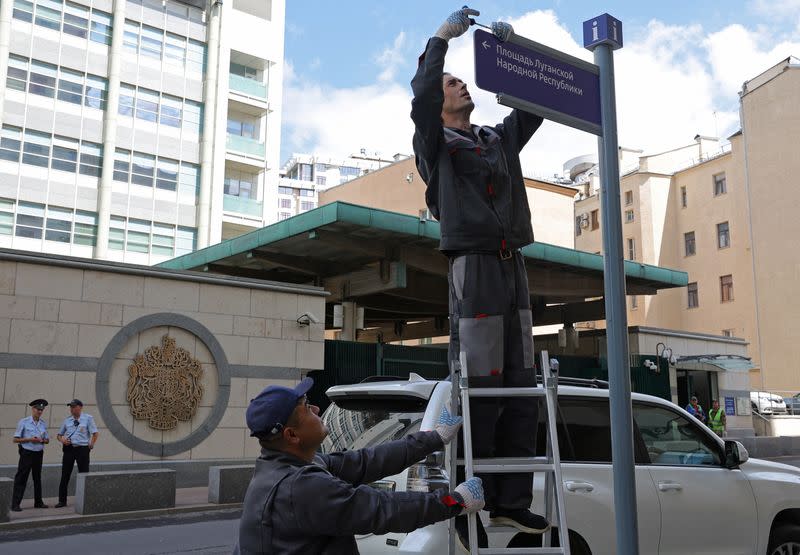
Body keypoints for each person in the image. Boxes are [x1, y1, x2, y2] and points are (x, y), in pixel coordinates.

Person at [410, 6, 548, 550]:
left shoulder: (495, 139)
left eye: (462, 79)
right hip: (474, 269)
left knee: (522, 384)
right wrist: (441, 41)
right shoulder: (435, 145)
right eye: (451, 82)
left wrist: (515, 56)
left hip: (513, 266)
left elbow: (534, 108)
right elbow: (422, 94)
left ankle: (513, 504)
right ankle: (477, 497)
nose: (460, 84)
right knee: (483, 385)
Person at [234, 378, 485, 555]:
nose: (316, 408)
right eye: (306, 408)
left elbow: (366, 461)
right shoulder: (299, 487)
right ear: (292, 436)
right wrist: (456, 501)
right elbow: (382, 509)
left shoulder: (289, 466)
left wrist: (434, 437)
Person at [55, 399, 98, 508]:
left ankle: (85, 500)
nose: (72, 409)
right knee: (65, 475)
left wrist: (91, 444)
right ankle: (62, 501)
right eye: (71, 407)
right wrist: (63, 440)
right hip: (69, 449)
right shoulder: (67, 420)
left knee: (83, 474)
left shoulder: (88, 418)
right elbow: (59, 435)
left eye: (74, 407)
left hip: (82, 449)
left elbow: (95, 433)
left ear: (80, 407)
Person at [11, 399, 50, 512]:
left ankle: (38, 502)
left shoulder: (43, 423)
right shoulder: (24, 422)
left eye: (41, 410)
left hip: (38, 453)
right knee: (21, 478)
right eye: (38, 409)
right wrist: (30, 439)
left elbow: (47, 440)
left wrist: (42, 440)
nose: (40, 411)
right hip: (27, 453)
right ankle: (15, 504)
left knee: (37, 478)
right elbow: (15, 439)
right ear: (33, 409)